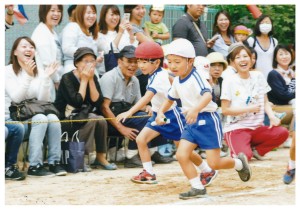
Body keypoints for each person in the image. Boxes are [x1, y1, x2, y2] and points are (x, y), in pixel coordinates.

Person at [156, 38, 252, 199]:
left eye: (177, 62)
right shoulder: (177, 80)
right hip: (191, 121)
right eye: (170, 61)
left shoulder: (197, 76)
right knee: (181, 155)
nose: (172, 66)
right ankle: (197, 187)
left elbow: (208, 95)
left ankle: (239, 164)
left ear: (190, 61)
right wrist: (160, 112)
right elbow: (170, 98)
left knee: (214, 163)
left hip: (207, 120)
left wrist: (195, 109)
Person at [116, 41, 217, 186]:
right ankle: (149, 173)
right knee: (141, 139)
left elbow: (147, 97)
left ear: (156, 62)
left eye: (144, 62)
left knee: (183, 150)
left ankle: (206, 170)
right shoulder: (155, 74)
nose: (141, 65)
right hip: (158, 114)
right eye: (139, 61)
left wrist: (130, 112)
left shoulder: (158, 77)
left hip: (172, 116)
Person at [100, 45, 173, 168]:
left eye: (136, 61)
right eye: (129, 61)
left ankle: (153, 152)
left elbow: (141, 103)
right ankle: (131, 156)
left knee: (153, 115)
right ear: (119, 61)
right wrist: (122, 128)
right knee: (143, 118)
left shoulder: (135, 79)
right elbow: (104, 108)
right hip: (111, 118)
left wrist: (148, 108)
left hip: (128, 113)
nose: (133, 65)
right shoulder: (109, 77)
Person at [5, 37, 66, 177]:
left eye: (31, 47)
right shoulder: (7, 71)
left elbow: (43, 101)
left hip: (32, 117)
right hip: (15, 121)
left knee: (52, 117)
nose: (28, 49)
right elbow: (16, 98)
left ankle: (53, 162)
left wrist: (45, 78)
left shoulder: (37, 71)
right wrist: (28, 76)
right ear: (15, 52)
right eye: (24, 46)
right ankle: (34, 165)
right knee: (41, 118)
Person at [221, 44, 289, 161]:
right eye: (238, 57)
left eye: (245, 56)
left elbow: (265, 101)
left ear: (251, 59)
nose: (242, 60)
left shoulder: (258, 76)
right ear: (232, 62)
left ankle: (256, 151)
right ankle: (241, 149)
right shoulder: (229, 81)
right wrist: (249, 109)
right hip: (237, 129)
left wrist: (272, 117)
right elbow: (225, 110)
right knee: (244, 158)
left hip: (257, 128)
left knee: (282, 132)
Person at [54, 47, 116, 170]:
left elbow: (97, 102)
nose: (89, 64)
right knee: (92, 120)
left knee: (100, 120)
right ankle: (81, 157)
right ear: (76, 63)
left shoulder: (94, 77)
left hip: (84, 115)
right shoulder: (67, 78)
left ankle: (100, 157)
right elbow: (76, 102)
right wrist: (84, 80)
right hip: (67, 118)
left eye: (92, 61)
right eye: (85, 61)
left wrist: (91, 80)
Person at [31, 5, 64, 102]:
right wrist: (57, 81)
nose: (56, 14)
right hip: (46, 80)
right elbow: (47, 63)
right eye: (52, 10)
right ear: (44, 12)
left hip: (53, 79)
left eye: (59, 11)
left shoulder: (52, 32)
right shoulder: (41, 32)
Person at [61, 5, 103, 78]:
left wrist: (97, 58)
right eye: (88, 13)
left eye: (94, 13)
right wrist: (89, 56)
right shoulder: (73, 26)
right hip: (74, 71)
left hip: (90, 72)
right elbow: (67, 48)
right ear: (81, 14)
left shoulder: (90, 32)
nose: (92, 16)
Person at [123, 5, 153, 96]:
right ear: (130, 10)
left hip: (142, 70)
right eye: (137, 8)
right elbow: (152, 44)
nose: (142, 11)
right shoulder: (132, 28)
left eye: (143, 7)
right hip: (138, 72)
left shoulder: (138, 27)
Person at [97, 5, 135, 75]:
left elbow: (131, 49)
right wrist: (120, 33)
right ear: (104, 16)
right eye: (112, 14)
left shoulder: (124, 31)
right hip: (106, 74)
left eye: (117, 14)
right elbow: (108, 50)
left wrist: (131, 34)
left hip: (125, 73)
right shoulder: (99, 34)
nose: (115, 17)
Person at [247, 14, 278, 79]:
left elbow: (276, 60)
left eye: (267, 22)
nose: (265, 25)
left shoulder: (274, 41)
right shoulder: (252, 41)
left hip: (271, 77)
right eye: (262, 23)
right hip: (256, 76)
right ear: (258, 25)